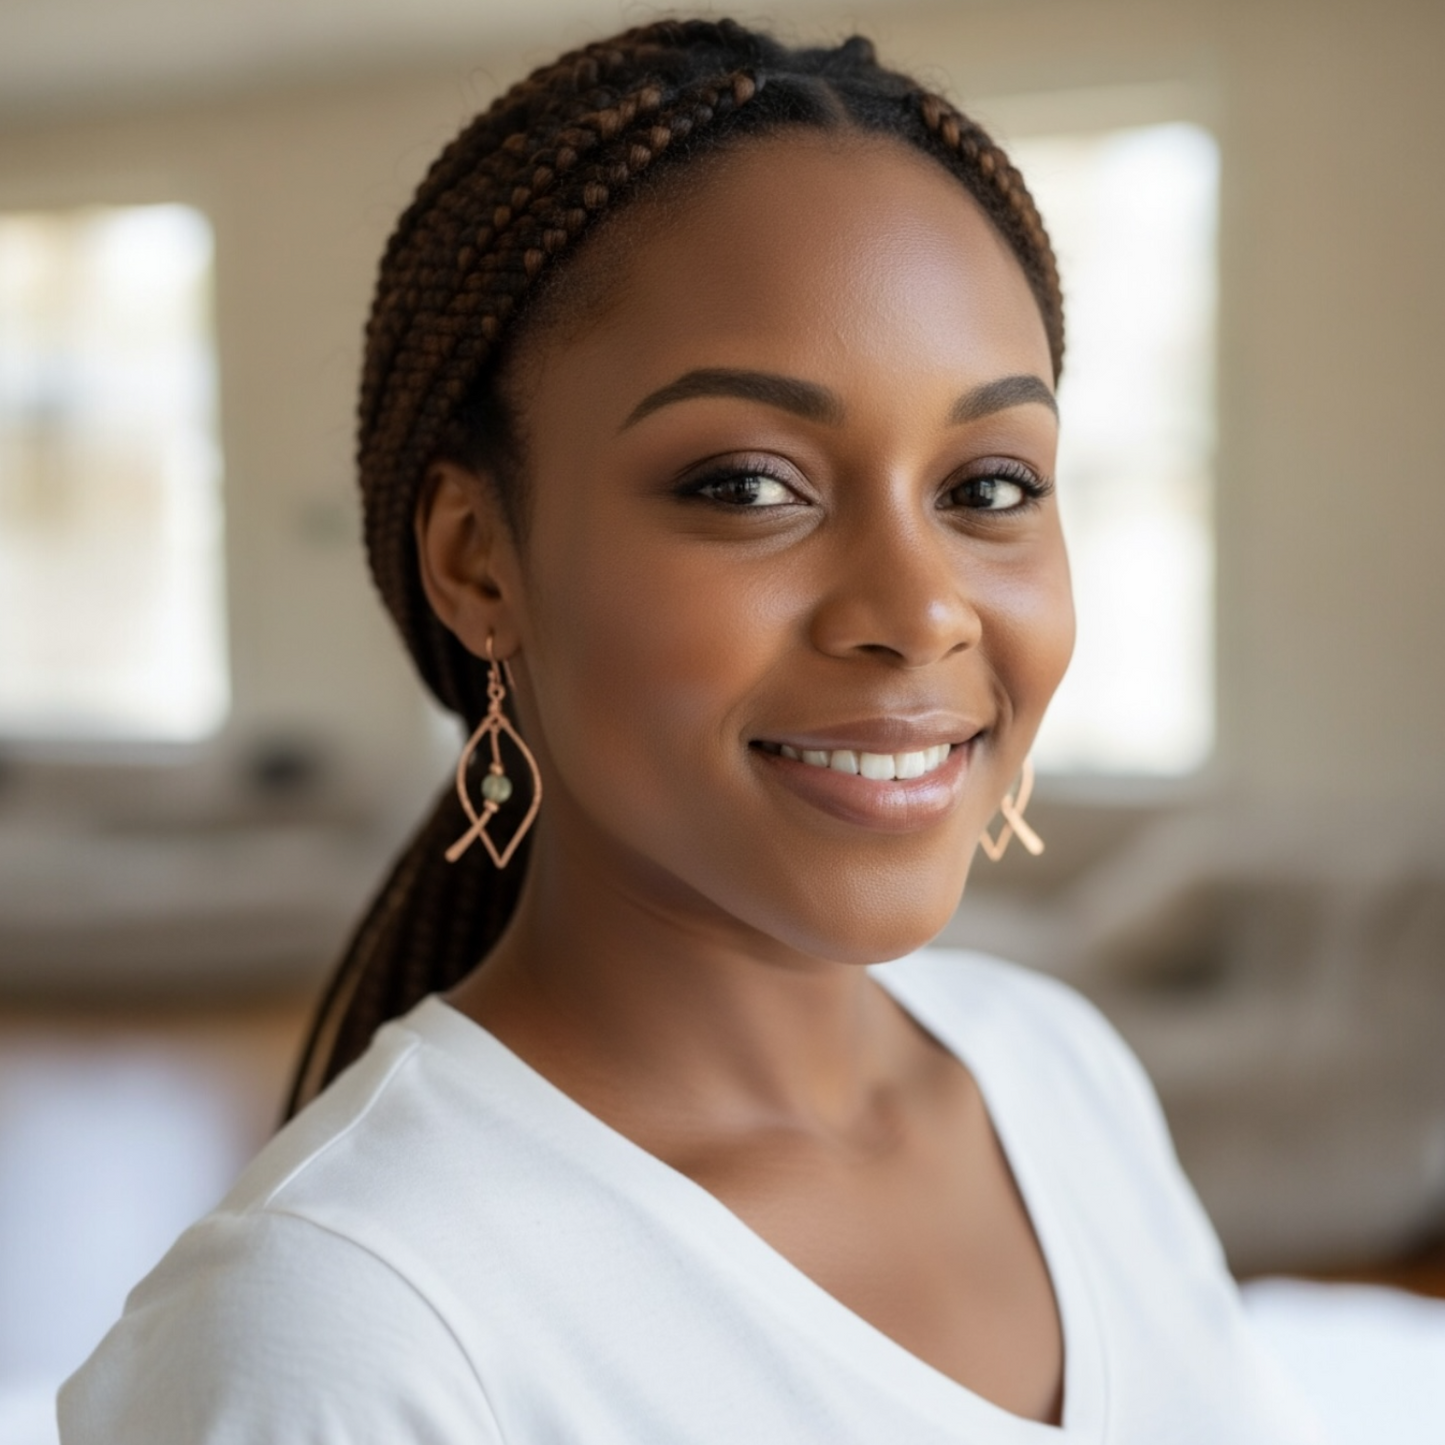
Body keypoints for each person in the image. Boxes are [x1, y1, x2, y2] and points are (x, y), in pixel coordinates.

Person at [60, 19, 1326, 1443]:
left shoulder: (1059, 1071)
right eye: (745, 484)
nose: (919, 611)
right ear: (480, 561)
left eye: (987, 486)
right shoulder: (341, 1335)